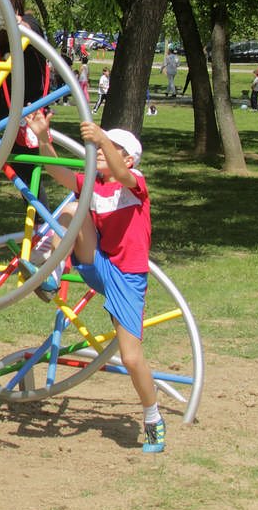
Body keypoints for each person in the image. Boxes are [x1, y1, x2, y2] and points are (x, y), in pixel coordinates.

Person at [26, 113, 166, 453]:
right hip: (98, 262)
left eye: (112, 148)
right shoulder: (95, 183)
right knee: (73, 209)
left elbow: (124, 175)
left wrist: (102, 138)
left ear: (128, 158)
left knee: (131, 357)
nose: (101, 151)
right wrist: (43, 138)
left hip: (128, 278)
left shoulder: (135, 183)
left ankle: (152, 416)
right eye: (102, 147)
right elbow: (58, 172)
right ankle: (50, 272)